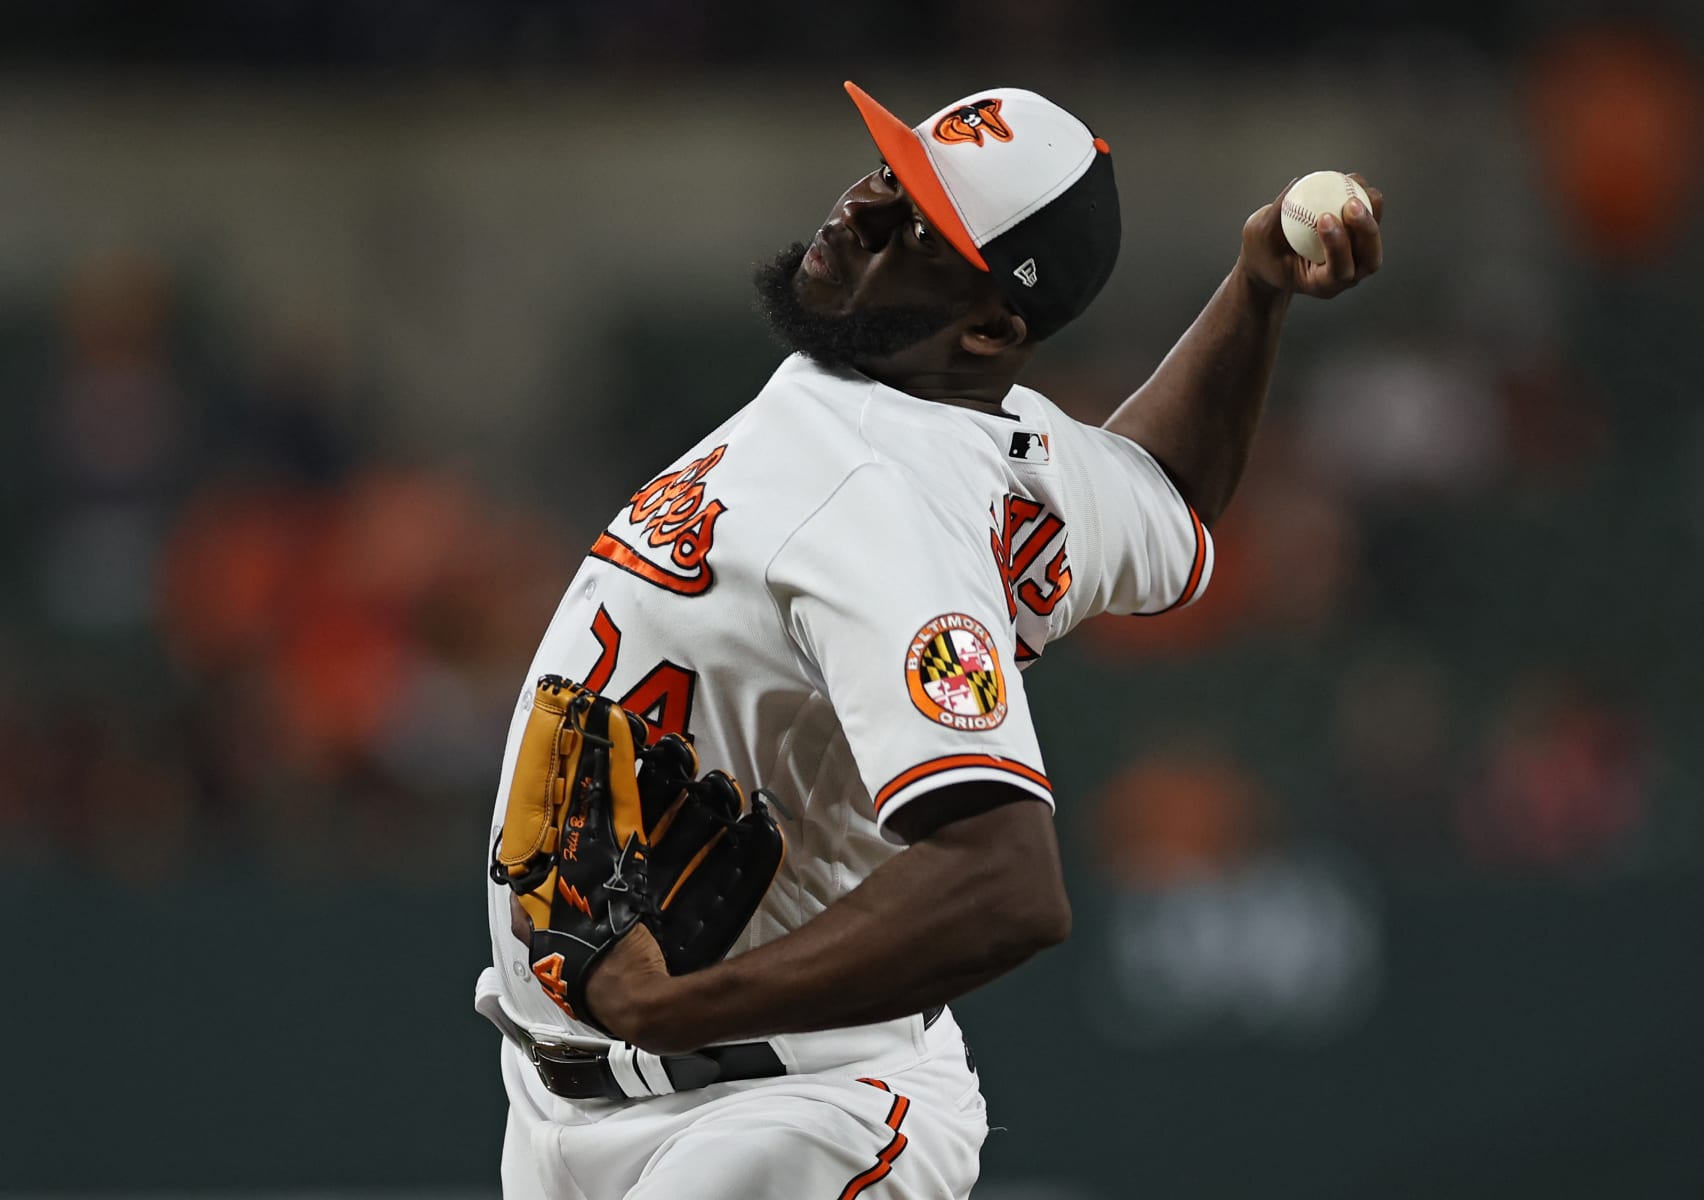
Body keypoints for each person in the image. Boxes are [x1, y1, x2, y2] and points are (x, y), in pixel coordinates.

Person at [475, 81, 1383, 1199]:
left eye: (918, 224)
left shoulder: (878, 501)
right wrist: (1254, 293)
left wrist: (671, 1011)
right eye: (891, 173)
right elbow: (1166, 492)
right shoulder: (983, 444)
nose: (861, 206)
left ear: (992, 326)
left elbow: (1007, 885)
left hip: (785, 1118)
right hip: (579, 1108)